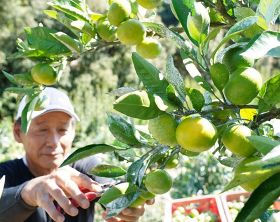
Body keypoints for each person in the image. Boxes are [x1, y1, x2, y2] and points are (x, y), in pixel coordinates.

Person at [0, 87, 152, 222]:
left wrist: (128, 203)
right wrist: (27, 193)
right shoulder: (5, 174)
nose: (54, 141)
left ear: (73, 131)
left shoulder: (85, 167)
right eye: (42, 130)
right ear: (18, 132)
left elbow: (115, 188)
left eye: (62, 130)